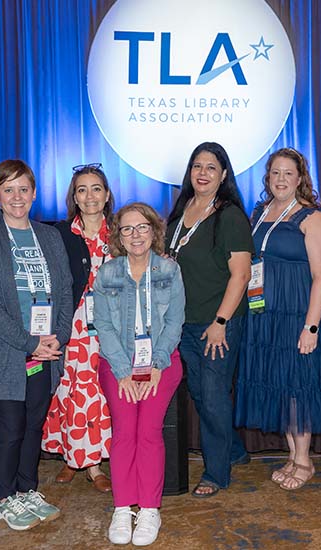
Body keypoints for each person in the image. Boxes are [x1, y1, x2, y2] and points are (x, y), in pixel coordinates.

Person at [0, 159, 73, 531]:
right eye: (8, 190)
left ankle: (27, 490)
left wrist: (58, 336)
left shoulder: (50, 236)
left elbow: (64, 291)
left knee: (34, 426)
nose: (16, 197)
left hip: (46, 350)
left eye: (23, 189)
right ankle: (5, 498)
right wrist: (29, 342)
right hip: (4, 353)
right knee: (9, 430)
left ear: (34, 193)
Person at [234, 148, 321, 490]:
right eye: (275, 173)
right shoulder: (260, 212)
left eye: (288, 173)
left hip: (296, 314)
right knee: (279, 384)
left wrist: (311, 326)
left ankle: (305, 461)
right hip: (264, 314)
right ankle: (292, 456)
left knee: (298, 386)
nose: (281, 179)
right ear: (268, 178)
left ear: (300, 178)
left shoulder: (312, 217)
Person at [94, 202, 185, 546]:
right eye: (127, 229)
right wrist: (122, 372)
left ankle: (149, 508)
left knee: (148, 431)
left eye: (142, 227)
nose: (135, 235)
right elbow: (102, 324)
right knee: (124, 433)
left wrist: (159, 364)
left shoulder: (169, 271)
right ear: (118, 235)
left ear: (154, 230)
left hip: (162, 363)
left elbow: (175, 322)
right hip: (117, 364)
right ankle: (122, 507)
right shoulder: (107, 274)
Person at [165, 142, 253, 498]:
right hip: (184, 322)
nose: (202, 173)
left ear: (224, 175)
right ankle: (233, 450)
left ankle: (217, 473)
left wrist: (220, 322)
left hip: (218, 322)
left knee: (214, 396)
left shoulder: (229, 216)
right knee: (201, 394)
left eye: (211, 167)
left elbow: (241, 276)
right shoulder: (182, 209)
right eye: (197, 166)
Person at [42, 163, 114, 492]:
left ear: (107, 194)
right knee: (70, 389)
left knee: (97, 392)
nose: (89, 196)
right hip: (72, 325)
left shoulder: (121, 233)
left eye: (96, 188)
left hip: (110, 328)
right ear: (74, 196)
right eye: (82, 189)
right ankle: (74, 457)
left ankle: (94, 464)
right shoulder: (59, 234)